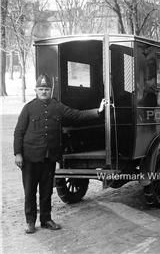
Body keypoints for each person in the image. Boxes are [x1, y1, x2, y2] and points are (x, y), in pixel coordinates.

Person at [14, 74, 106, 234]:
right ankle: (30, 222)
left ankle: (46, 219)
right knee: (29, 191)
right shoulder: (28, 108)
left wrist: (98, 111)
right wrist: (18, 154)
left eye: (46, 89)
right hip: (30, 158)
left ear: (51, 90)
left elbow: (76, 115)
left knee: (46, 191)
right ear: (36, 90)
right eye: (41, 89)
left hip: (49, 158)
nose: (44, 92)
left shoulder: (57, 106)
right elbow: (18, 132)